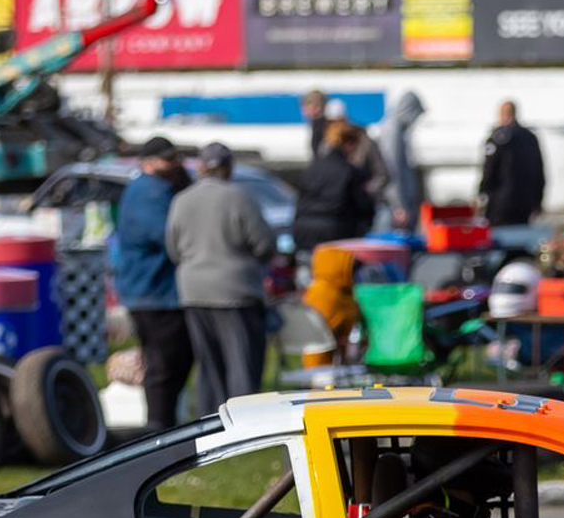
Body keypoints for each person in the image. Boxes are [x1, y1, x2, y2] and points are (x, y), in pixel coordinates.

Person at [165, 141, 279, 412]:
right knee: (242, 364)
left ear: (201, 168)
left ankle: (210, 422)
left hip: (194, 290)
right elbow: (264, 244)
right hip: (236, 290)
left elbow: (173, 248)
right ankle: (244, 421)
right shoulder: (238, 197)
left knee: (208, 365)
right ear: (228, 168)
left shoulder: (181, 199)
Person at [114, 136, 194, 432]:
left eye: (176, 158)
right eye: (168, 159)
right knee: (165, 364)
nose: (174, 164)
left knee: (169, 361)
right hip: (155, 293)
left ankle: (163, 424)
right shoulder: (150, 192)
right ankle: (159, 428)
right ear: (148, 162)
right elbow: (169, 237)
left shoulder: (150, 189)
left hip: (150, 291)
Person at [294, 121, 376, 257]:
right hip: (336, 232)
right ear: (349, 144)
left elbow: (299, 201)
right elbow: (364, 207)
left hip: (303, 231)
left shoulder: (311, 169)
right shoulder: (350, 172)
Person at [480, 100, 546, 225]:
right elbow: (539, 171)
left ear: (501, 115)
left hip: (499, 204)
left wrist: (482, 192)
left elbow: (489, 169)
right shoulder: (530, 138)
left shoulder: (497, 137)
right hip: (525, 203)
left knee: (500, 234)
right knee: (520, 234)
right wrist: (538, 201)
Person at [376, 90, 426, 231]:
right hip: (395, 205)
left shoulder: (398, 130)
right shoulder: (393, 131)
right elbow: (393, 169)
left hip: (398, 202)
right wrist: (398, 205)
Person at [300, 89, 330, 158]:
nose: (302, 109)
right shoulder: (323, 125)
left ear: (317, 107)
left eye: (305, 105)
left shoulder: (319, 128)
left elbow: (320, 157)